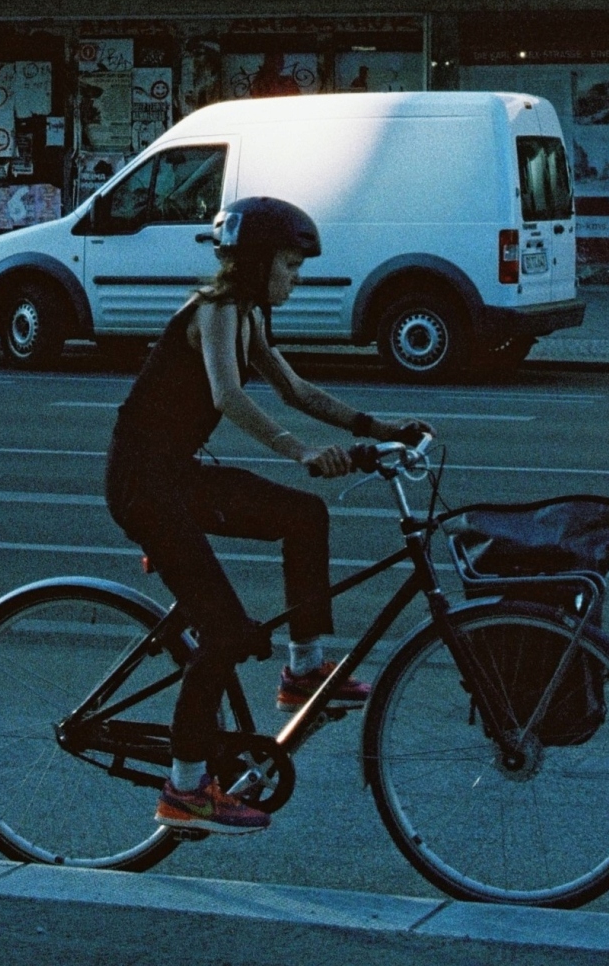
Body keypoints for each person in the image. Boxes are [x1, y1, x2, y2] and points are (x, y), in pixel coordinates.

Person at [104, 195, 420, 836]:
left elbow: (297, 390)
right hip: (144, 485)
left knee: (304, 516)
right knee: (223, 633)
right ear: (255, 262)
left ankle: (304, 670)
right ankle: (184, 788)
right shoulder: (216, 309)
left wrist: (380, 428)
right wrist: (298, 450)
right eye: (290, 265)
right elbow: (228, 394)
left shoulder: (248, 314)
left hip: (178, 478)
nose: (296, 278)